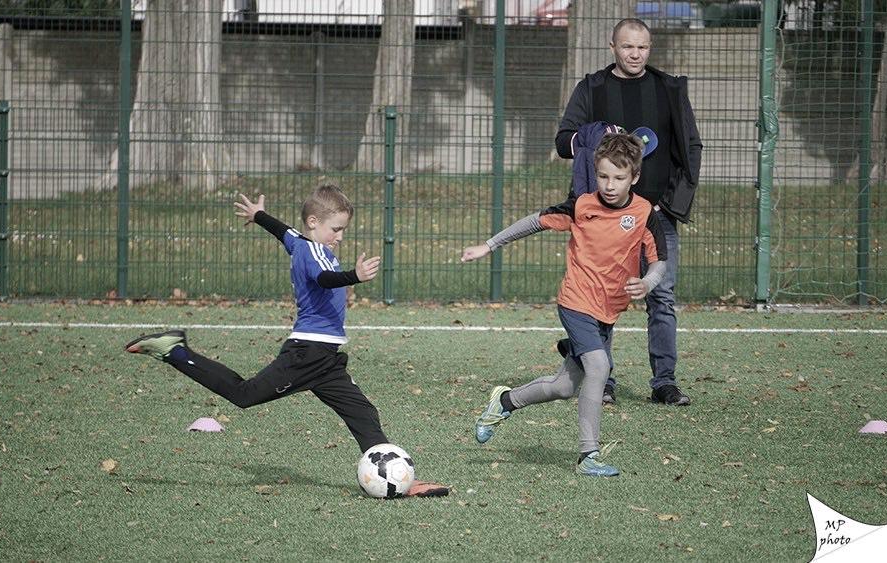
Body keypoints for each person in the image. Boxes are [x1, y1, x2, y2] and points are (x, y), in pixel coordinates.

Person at [125, 185, 448, 497]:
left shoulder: (301, 242)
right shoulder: (316, 253)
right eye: (336, 229)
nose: (340, 236)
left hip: (326, 358)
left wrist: (260, 215)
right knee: (244, 394)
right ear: (314, 223)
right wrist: (354, 276)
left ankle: (397, 478)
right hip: (307, 354)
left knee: (362, 413)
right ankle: (175, 351)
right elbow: (325, 279)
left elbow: (285, 232)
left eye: (343, 230)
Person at [462, 133, 667, 477]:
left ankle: (505, 401)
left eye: (618, 178)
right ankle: (588, 455)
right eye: (602, 176)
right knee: (600, 368)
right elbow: (534, 221)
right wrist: (489, 245)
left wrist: (647, 282)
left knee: (565, 386)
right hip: (576, 301)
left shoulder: (645, 214)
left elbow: (659, 261)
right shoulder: (581, 206)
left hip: (608, 311)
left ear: (634, 177)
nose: (609, 185)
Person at [555, 18, 702, 406]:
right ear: (612, 47)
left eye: (642, 47)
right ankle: (603, 381)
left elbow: (690, 147)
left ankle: (664, 383)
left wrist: (669, 204)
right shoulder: (593, 88)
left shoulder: (668, 89)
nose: (635, 54)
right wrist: (593, 134)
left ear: (649, 48)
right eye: (627, 47)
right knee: (601, 298)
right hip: (605, 223)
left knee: (662, 297)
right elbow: (563, 142)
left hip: (656, 217)